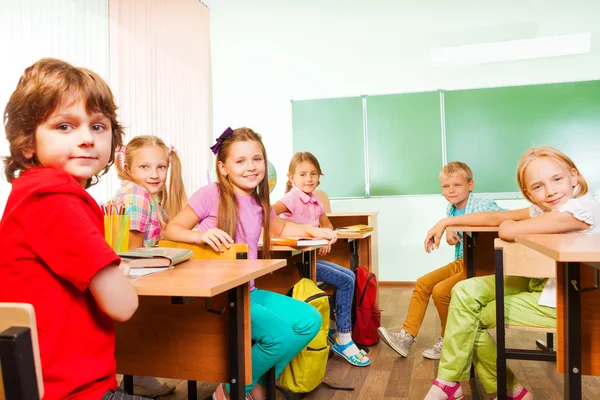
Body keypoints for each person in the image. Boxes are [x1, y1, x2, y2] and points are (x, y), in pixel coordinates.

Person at [0, 58, 144, 400]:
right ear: (26, 143)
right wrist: (116, 276)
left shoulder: (31, 192)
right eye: (65, 126)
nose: (86, 139)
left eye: (98, 126)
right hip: (74, 392)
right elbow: (123, 306)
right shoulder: (54, 197)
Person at [165, 127, 336, 400]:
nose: (251, 167)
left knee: (309, 319)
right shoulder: (211, 194)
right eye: (240, 161)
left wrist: (316, 231)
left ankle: (248, 381)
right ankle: (235, 389)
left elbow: (280, 228)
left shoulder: (259, 202)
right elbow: (172, 230)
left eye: (257, 159)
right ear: (223, 168)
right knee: (280, 335)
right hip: (220, 297)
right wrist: (200, 235)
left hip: (248, 291)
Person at [423, 146, 600, 400]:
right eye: (538, 187)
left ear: (574, 176)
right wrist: (445, 222)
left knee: (469, 319)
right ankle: (452, 383)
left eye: (557, 179)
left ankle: (506, 389)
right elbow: (496, 216)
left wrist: (509, 224)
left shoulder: (580, 210)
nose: (550, 191)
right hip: (542, 283)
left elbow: (505, 228)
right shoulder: (551, 208)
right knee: (462, 290)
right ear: (529, 193)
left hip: (568, 298)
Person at [378, 161, 502, 360]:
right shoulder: (451, 209)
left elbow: (500, 218)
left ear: (470, 185)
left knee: (441, 291)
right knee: (423, 283)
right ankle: (406, 337)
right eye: (446, 186)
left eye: (457, 185)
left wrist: (453, 225)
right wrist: (453, 232)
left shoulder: (481, 204)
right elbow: (464, 235)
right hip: (463, 260)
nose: (451, 190)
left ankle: (450, 339)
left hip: (482, 265)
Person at [274, 151, 370, 366]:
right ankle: (343, 338)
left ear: (319, 176)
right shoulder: (291, 198)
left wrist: (327, 237)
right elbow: (268, 214)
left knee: (348, 275)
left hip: (311, 261)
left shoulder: (315, 201)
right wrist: (302, 230)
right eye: (303, 174)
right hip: (294, 265)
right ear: (292, 179)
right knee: (346, 280)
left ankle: (334, 328)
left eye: (313, 174)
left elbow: (327, 224)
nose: (309, 179)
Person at [112, 134, 187, 396]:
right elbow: (131, 252)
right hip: (137, 280)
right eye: (144, 167)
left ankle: (142, 377)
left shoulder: (143, 194)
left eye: (161, 167)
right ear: (128, 168)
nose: (154, 174)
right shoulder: (138, 194)